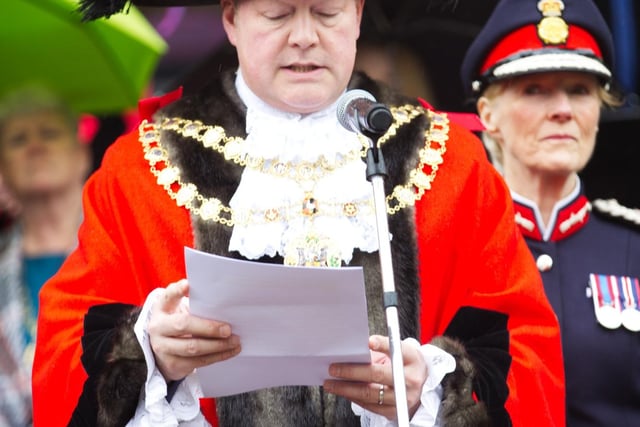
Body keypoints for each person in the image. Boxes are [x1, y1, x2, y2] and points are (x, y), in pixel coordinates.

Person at [33, 0, 565, 425]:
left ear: (356, 16)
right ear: (232, 19)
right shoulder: (141, 170)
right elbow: (63, 349)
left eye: (327, 12)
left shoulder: (449, 161)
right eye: (279, 13)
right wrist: (148, 353)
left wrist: (432, 388)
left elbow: (529, 350)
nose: (304, 36)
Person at [460, 0, 640, 425]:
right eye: (534, 89)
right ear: (488, 115)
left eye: (580, 90)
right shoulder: (453, 249)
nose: (562, 108)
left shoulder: (632, 245)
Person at [0, 86, 92, 426]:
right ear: (2, 167)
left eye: (49, 133)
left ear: (81, 154)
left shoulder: (121, 250)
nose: (35, 146)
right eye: (18, 139)